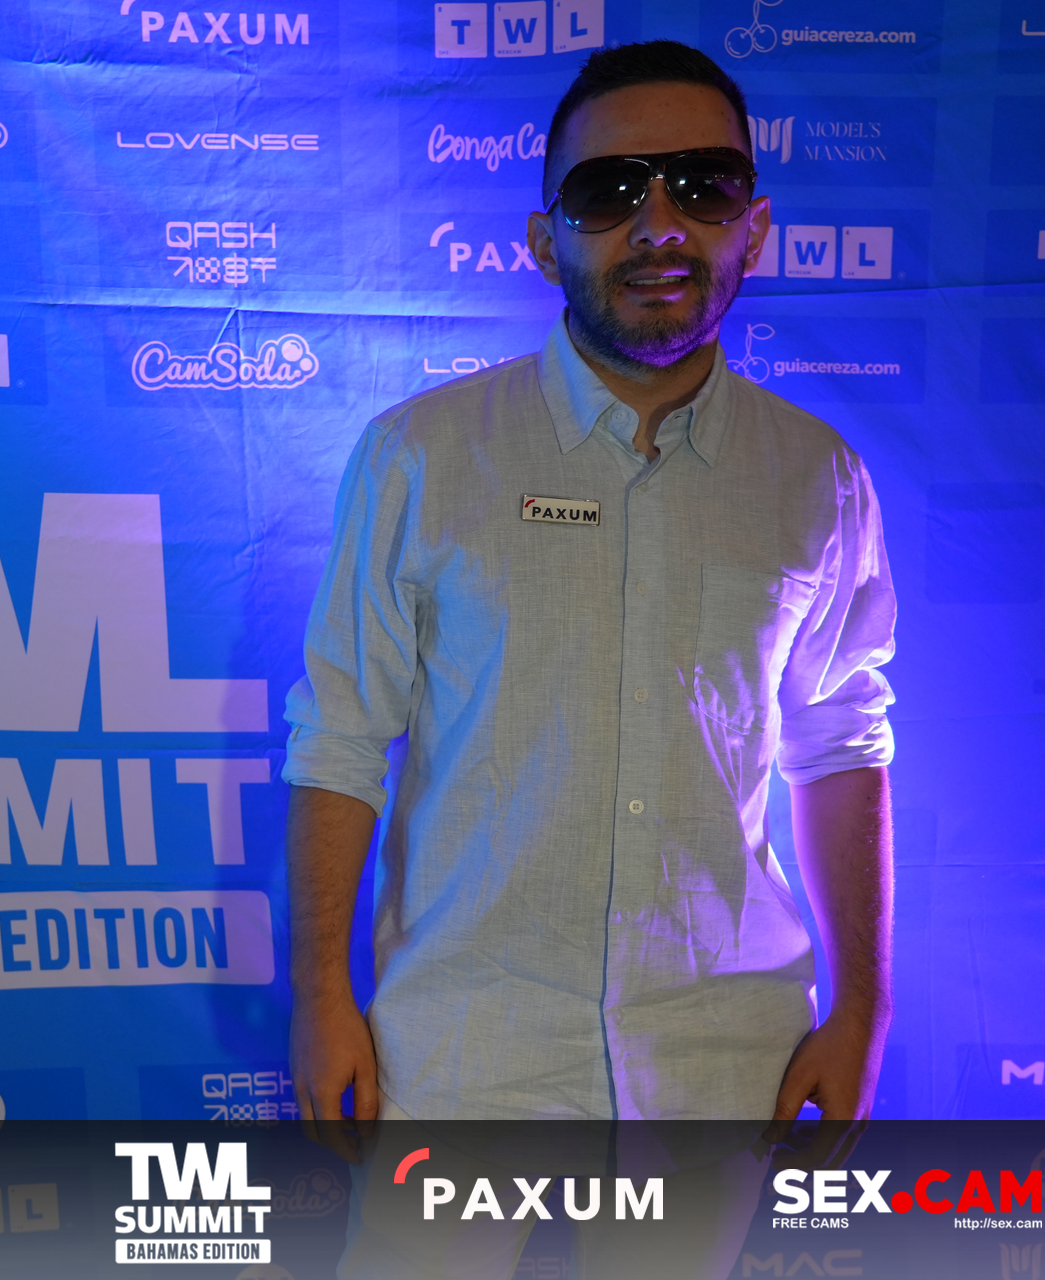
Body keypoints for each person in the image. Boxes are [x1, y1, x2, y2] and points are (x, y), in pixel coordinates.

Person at [283, 41, 896, 1136]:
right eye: (610, 191)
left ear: (753, 226)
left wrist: (863, 1007)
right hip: (463, 1057)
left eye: (702, 184)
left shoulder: (818, 477)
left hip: (725, 1062)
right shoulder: (420, 457)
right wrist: (321, 994)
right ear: (543, 239)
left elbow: (841, 745)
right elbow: (340, 736)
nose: (659, 226)